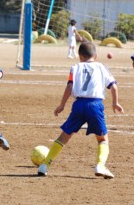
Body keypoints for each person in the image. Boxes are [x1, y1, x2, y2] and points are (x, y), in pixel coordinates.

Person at [38, 42, 124, 179]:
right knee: (102, 139)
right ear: (95, 56)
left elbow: (69, 87)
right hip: (95, 104)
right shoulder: (101, 66)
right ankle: (100, 165)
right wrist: (115, 103)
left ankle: (45, 165)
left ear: (79, 56)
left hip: (78, 105)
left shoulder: (75, 67)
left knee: (64, 136)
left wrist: (62, 105)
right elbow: (113, 87)